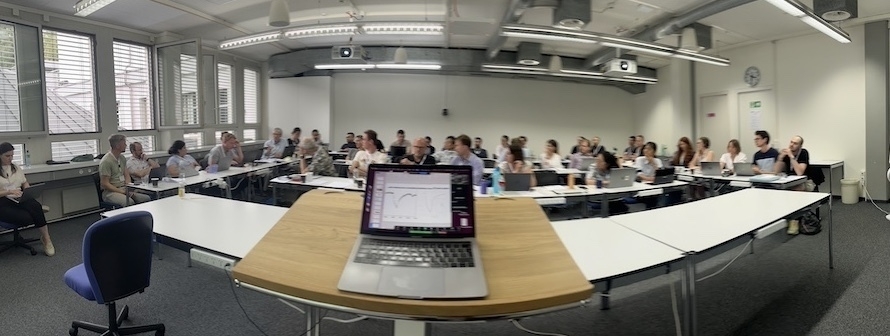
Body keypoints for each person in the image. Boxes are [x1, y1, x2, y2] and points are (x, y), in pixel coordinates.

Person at [0, 142, 54, 256]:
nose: (10, 158)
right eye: (7, 156)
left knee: (36, 206)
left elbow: (24, 182)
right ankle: (35, 212)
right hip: (3, 201)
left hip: (18, 196)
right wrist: (9, 191)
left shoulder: (16, 167)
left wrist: (28, 191)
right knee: (28, 217)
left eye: (12, 155)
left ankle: (46, 239)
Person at [774, 135, 824, 235]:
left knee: (797, 189)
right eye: (791, 142)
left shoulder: (803, 153)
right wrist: (780, 158)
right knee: (778, 190)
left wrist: (792, 157)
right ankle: (785, 217)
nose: (792, 145)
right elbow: (776, 171)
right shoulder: (786, 154)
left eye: (795, 143)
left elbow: (800, 172)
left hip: (806, 182)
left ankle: (795, 219)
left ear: (800, 146)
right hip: (789, 182)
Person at [99, 134, 150, 207]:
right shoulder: (106, 161)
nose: (126, 145)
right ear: (117, 146)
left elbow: (126, 175)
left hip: (124, 188)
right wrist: (122, 192)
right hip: (111, 192)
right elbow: (105, 183)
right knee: (129, 202)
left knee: (145, 198)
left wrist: (129, 188)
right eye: (124, 143)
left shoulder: (122, 158)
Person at [634, 142, 663, 209]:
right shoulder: (639, 159)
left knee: (655, 195)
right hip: (642, 185)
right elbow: (639, 174)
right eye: (645, 148)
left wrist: (653, 163)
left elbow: (660, 174)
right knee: (651, 197)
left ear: (654, 152)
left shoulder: (657, 161)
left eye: (649, 149)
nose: (646, 150)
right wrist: (651, 179)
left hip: (654, 185)